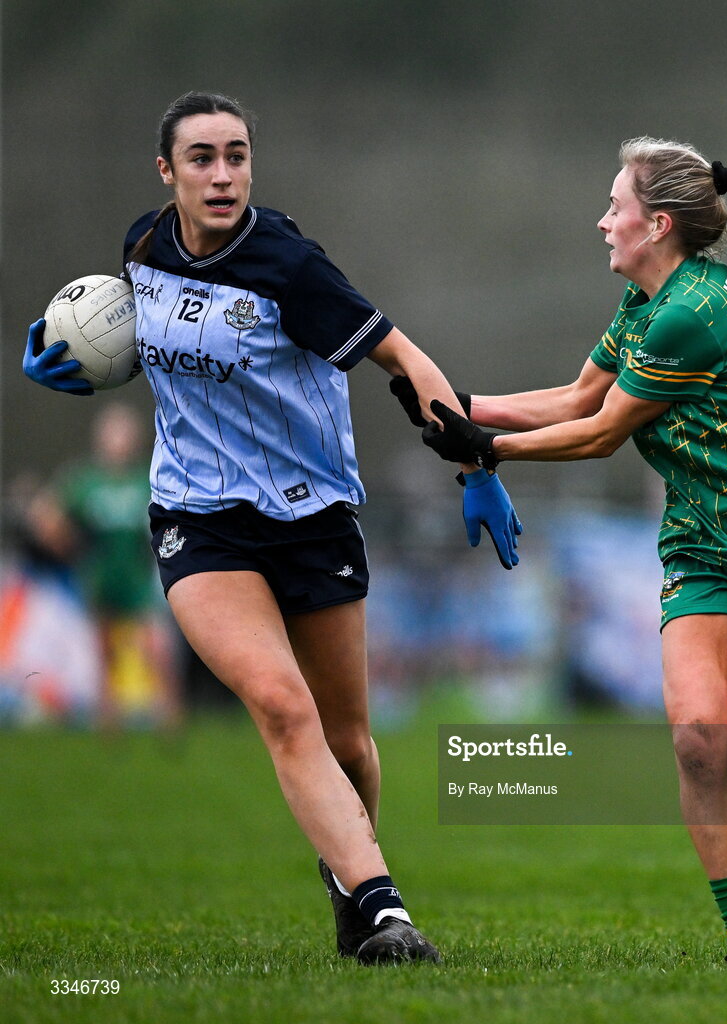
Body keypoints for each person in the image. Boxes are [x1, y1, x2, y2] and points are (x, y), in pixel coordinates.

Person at [23, 90, 523, 966]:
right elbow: (145, 329)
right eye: (204, 157)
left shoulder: (289, 265)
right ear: (167, 171)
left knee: (348, 745)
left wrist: (476, 467)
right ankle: (382, 908)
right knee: (282, 708)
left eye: (238, 155)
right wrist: (68, 346)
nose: (223, 174)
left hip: (314, 516)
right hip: (198, 518)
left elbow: (402, 359)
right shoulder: (143, 247)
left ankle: (347, 884)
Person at [397, 137, 727, 969]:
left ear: (657, 223)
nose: (602, 222)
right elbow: (579, 394)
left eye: (614, 208)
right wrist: (462, 405)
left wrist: (486, 447)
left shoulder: (689, 312)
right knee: (699, 737)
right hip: (703, 541)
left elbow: (597, 435)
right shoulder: (642, 302)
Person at [26, 402, 183, 730]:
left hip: (138, 574)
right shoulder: (86, 481)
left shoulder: (147, 478)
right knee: (103, 649)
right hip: (101, 574)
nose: (119, 441)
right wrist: (68, 545)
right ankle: (107, 718)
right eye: (113, 433)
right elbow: (49, 517)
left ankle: (170, 715)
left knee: (154, 643)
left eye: (125, 433)